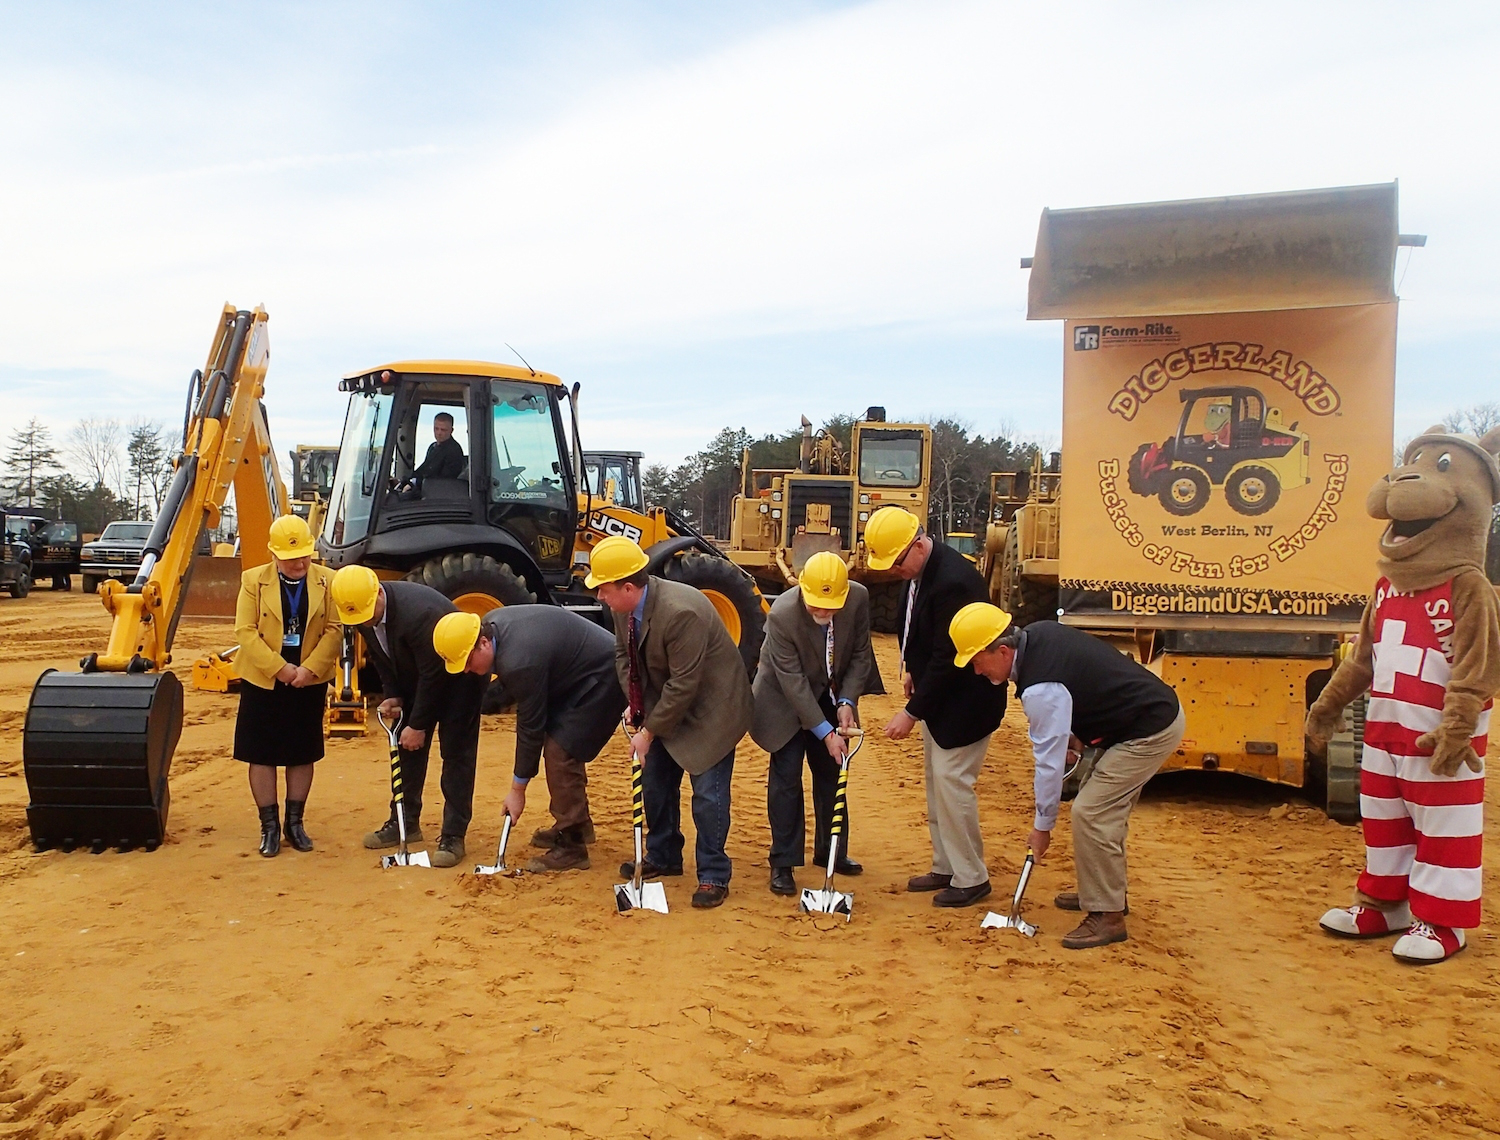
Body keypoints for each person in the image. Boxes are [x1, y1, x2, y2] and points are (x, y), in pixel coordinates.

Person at [951, 603, 1185, 949]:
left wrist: (1042, 827)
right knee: (1102, 809)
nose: (976, 670)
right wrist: (1075, 737)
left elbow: (1049, 766)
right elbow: (1081, 684)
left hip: (1149, 728)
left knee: (1092, 812)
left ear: (1002, 650)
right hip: (1136, 718)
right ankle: (1105, 891)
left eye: (976, 660)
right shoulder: (1038, 635)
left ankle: (1107, 916)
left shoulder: (1040, 688)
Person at [587, 536, 753, 908]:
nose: (600, 596)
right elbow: (622, 654)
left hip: (713, 708)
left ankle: (713, 874)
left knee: (708, 795)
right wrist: (635, 703)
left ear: (629, 587)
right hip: (666, 702)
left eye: (604, 589)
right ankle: (664, 854)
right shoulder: (622, 606)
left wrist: (647, 732)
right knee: (655, 783)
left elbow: (685, 685)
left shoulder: (681, 613)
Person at [865, 506, 1006, 908]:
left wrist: (912, 712)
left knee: (952, 785)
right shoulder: (920, 571)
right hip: (940, 700)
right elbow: (913, 626)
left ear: (918, 544)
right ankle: (946, 864)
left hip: (966, 704)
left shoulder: (955, 582)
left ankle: (972, 876)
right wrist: (912, 668)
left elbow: (950, 658)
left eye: (896, 561)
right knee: (936, 785)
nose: (893, 570)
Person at [431, 605, 626, 872]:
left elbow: (531, 726)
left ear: (484, 643)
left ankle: (572, 845)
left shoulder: (519, 660)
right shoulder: (491, 626)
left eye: (466, 662)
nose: (465, 671)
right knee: (562, 744)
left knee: (561, 751)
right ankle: (579, 824)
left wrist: (517, 790)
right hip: (577, 674)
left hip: (604, 677)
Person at [329, 566, 486, 867]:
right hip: (418, 679)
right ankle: (404, 822)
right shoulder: (359, 610)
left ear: (377, 592)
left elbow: (433, 674)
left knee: (456, 756)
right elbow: (380, 655)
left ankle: (453, 835)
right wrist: (393, 694)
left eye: (366, 614)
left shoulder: (420, 614)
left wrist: (418, 724)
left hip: (459, 680)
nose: (363, 621)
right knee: (406, 751)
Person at [750, 551, 882, 896]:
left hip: (828, 690)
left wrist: (847, 702)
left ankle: (831, 851)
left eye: (830, 607)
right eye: (816, 607)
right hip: (782, 698)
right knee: (787, 778)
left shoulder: (858, 599)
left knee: (832, 773)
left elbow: (859, 655)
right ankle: (783, 862)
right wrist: (824, 732)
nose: (823, 613)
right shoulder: (781, 614)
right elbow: (792, 681)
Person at [232, 515, 342, 857]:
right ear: (274, 554)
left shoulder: (328, 581)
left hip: (308, 680)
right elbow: (245, 632)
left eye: (306, 555)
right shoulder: (253, 581)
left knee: (302, 750)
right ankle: (269, 827)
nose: (300, 563)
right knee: (260, 752)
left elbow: (335, 629)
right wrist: (279, 669)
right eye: (291, 557)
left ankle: (295, 823)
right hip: (264, 679)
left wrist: (308, 671)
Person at [397, 412, 465, 497]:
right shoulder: (433, 448)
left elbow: (444, 480)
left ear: (451, 430)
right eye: (436, 429)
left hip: (437, 496)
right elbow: (423, 469)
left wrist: (415, 483)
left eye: (443, 430)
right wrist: (406, 481)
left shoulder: (454, 451)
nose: (439, 433)